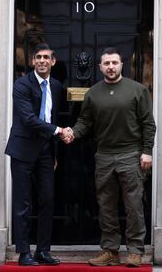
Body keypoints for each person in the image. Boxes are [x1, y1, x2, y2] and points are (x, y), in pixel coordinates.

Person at [62, 47, 156, 267]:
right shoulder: (93, 93)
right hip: (104, 156)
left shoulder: (137, 90)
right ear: (100, 66)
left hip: (131, 154)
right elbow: (85, 121)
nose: (111, 67)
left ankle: (134, 251)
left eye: (114, 63)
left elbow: (148, 124)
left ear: (121, 64)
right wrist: (73, 133)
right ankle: (110, 251)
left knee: (133, 205)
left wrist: (147, 151)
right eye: (107, 63)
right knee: (106, 206)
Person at [5, 43, 70, 266]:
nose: (42, 61)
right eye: (38, 57)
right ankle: (24, 252)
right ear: (33, 61)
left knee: (47, 200)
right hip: (22, 150)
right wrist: (59, 131)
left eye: (46, 57)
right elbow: (30, 120)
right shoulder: (22, 84)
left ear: (53, 62)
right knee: (23, 203)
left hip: (45, 152)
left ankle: (43, 250)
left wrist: (54, 152)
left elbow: (53, 118)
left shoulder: (57, 86)